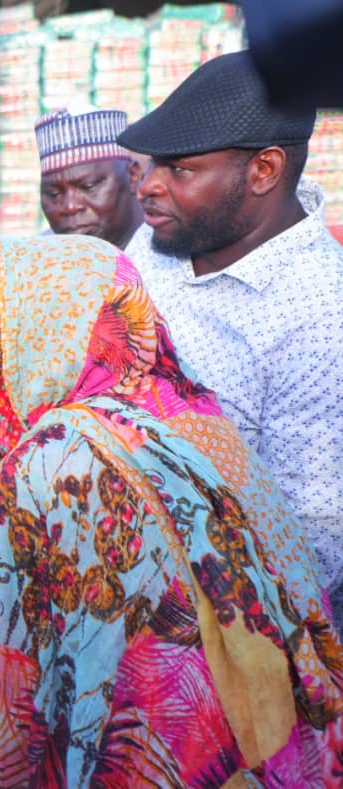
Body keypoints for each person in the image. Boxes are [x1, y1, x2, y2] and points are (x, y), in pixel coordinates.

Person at [0, 234, 343, 786]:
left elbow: (6, 712)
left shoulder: (50, 462)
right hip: (292, 756)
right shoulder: (198, 414)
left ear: (39, 332)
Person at [117, 50, 343, 628]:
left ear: (264, 170)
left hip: (234, 623)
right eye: (150, 166)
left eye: (181, 170)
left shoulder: (319, 315)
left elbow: (312, 545)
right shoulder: (159, 241)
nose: (148, 188)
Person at [34, 106, 144, 250]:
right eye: (54, 194)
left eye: (88, 186)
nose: (70, 207)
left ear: (132, 176)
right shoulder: (38, 260)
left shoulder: (171, 256)